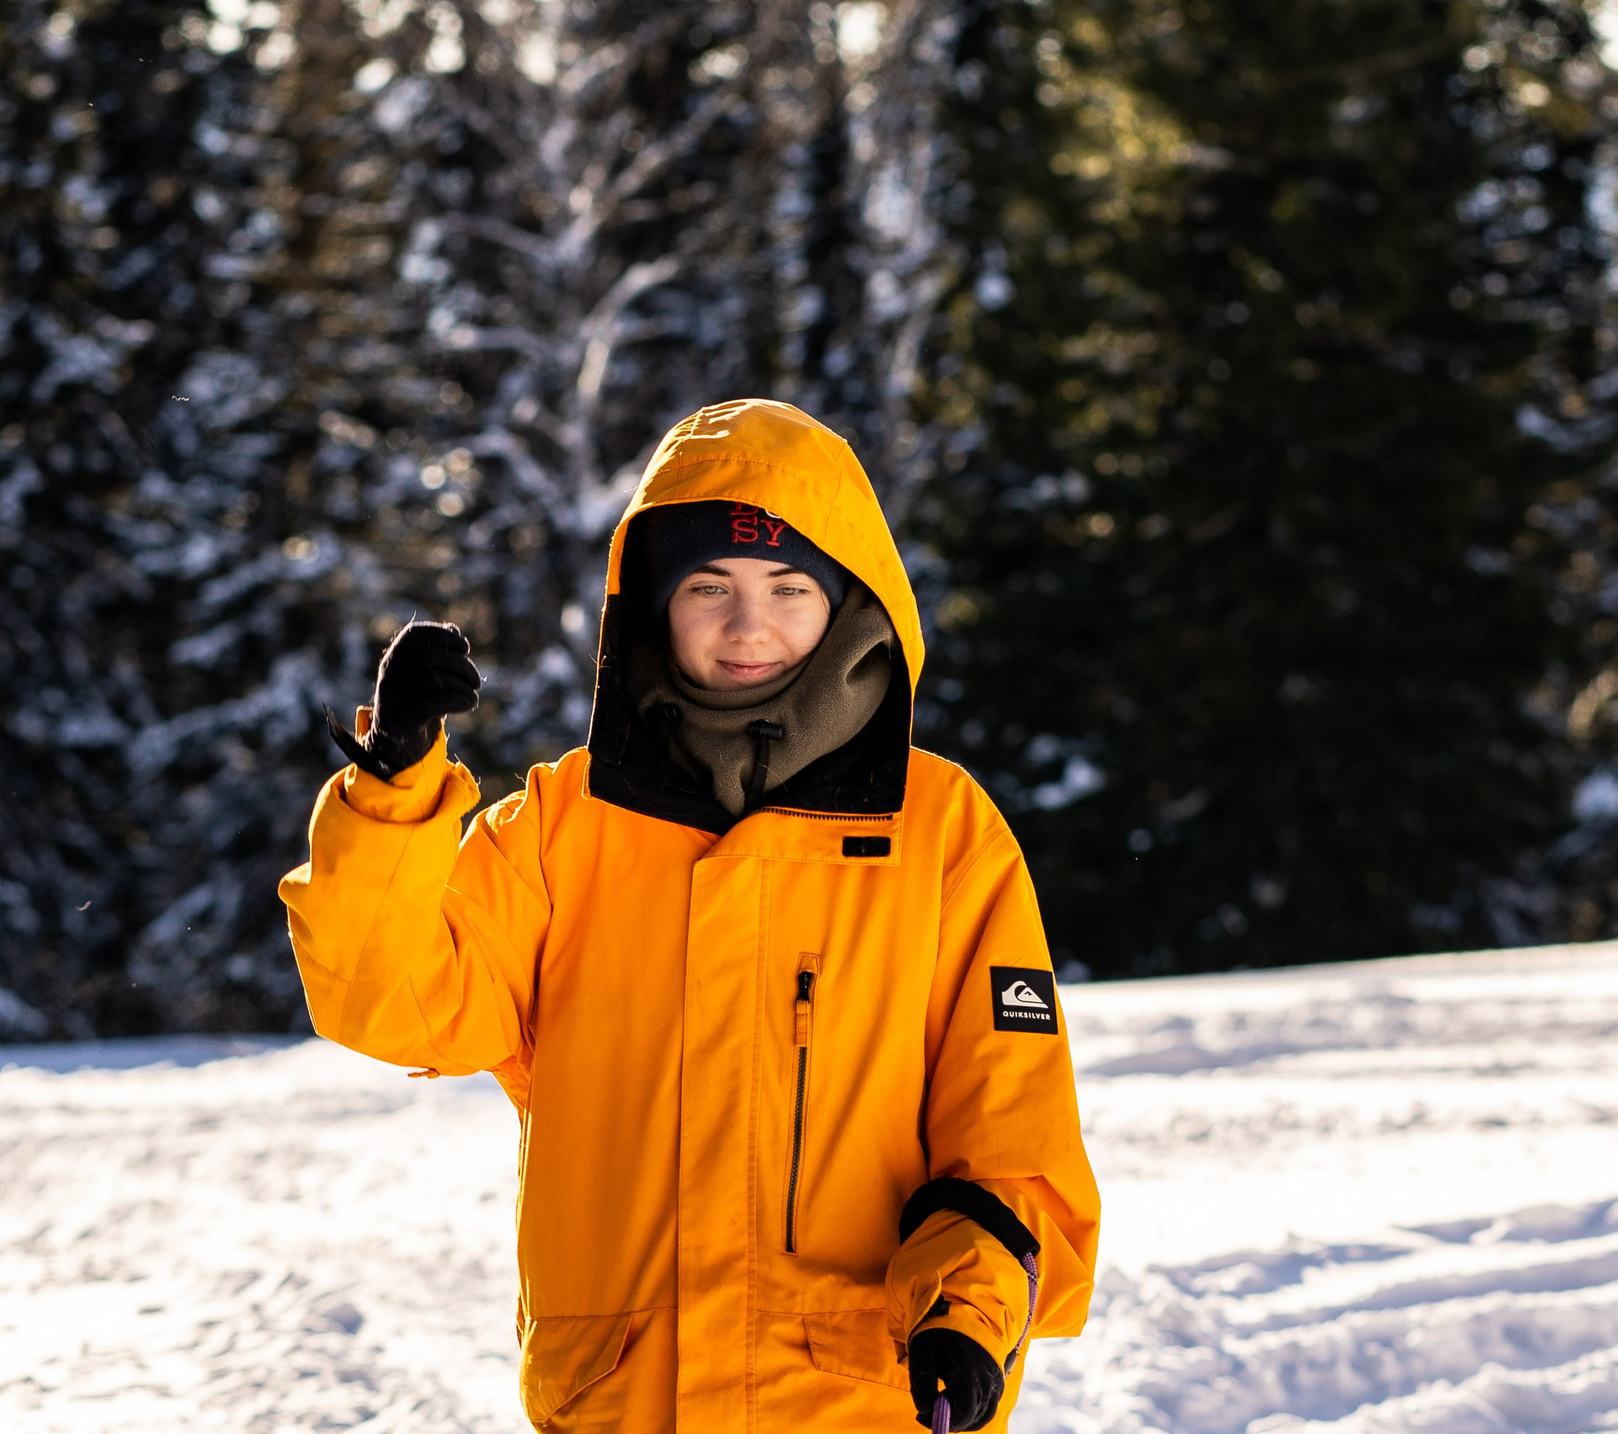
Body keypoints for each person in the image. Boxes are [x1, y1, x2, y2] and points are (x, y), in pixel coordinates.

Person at [280, 399, 1101, 1433]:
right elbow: (388, 1002)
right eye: (707, 586)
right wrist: (393, 791)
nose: (747, 624)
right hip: (625, 1399)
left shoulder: (939, 833)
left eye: (787, 588)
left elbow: (1008, 1130)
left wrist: (969, 1314)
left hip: (858, 1402)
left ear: (848, 602)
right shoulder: (560, 828)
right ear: (652, 607)